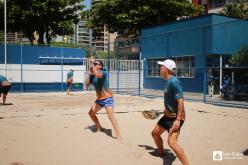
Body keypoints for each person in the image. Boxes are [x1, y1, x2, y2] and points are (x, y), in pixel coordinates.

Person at [151, 59, 189, 165]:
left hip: (176, 118)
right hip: (168, 116)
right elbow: (172, 101)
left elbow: (180, 101)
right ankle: (162, 153)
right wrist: (166, 109)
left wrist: (177, 120)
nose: (160, 68)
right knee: (155, 133)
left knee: (172, 143)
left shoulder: (174, 81)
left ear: (166, 69)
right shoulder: (168, 81)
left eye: (162, 66)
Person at [86, 57, 123, 141]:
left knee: (111, 116)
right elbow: (86, 85)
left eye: (96, 64)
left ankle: (118, 135)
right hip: (99, 100)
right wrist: (89, 74)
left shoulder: (104, 73)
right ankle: (99, 127)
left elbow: (98, 75)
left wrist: (92, 64)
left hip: (108, 99)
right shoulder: (93, 76)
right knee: (91, 113)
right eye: (94, 63)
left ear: (100, 66)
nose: (94, 65)